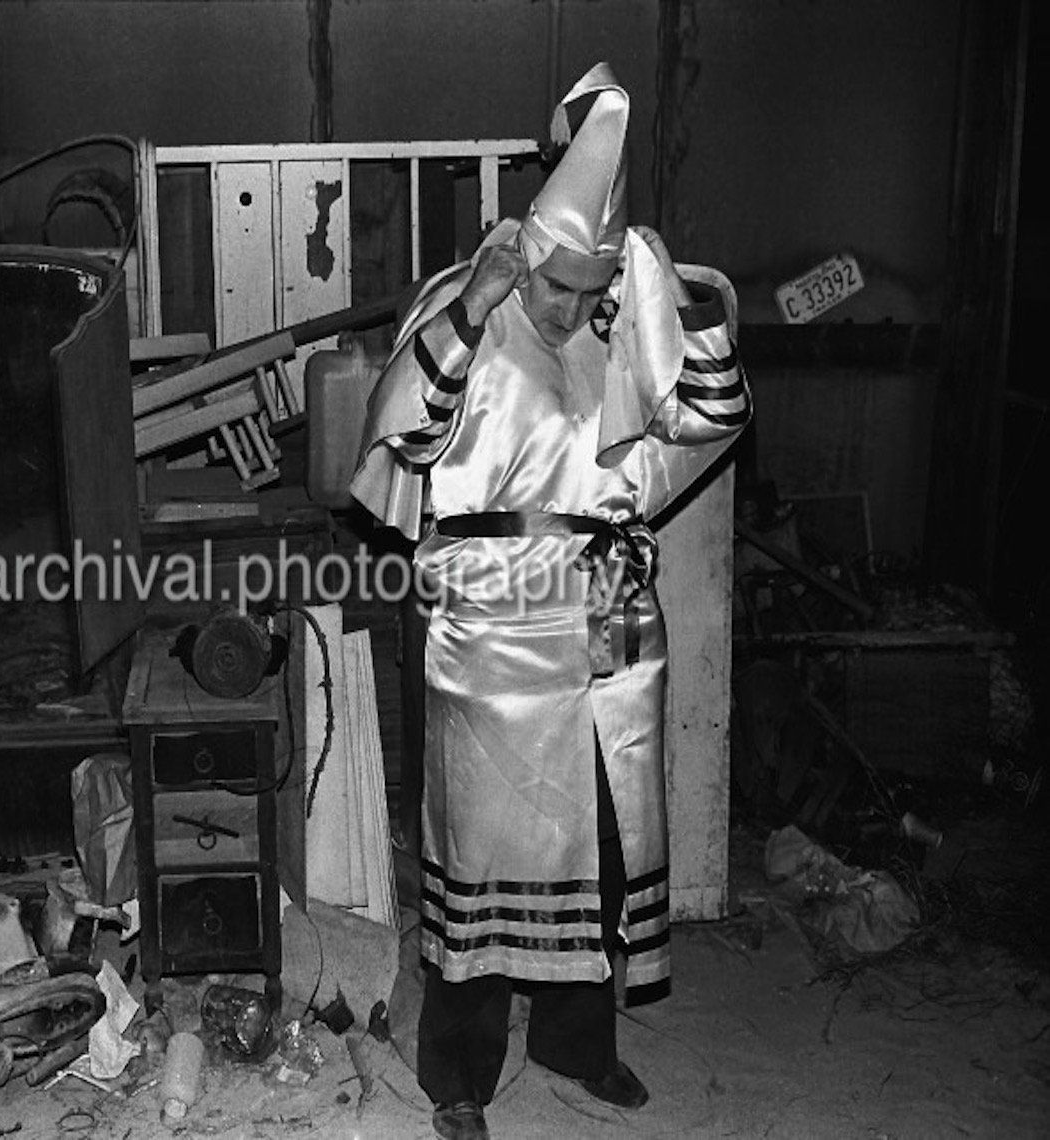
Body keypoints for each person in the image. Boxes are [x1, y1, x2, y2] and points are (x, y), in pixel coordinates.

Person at [350, 63, 751, 1140]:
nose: (568, 310)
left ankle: (580, 1047)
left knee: (599, 854)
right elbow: (406, 433)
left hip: (602, 629)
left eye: (589, 290)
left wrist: (688, 307)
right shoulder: (465, 305)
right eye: (553, 288)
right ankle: (459, 1074)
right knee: (479, 862)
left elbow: (703, 424)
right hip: (486, 630)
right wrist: (479, 306)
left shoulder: (617, 325)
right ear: (522, 254)